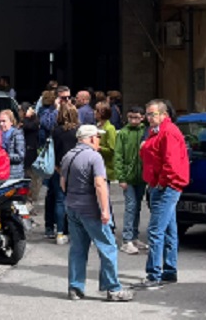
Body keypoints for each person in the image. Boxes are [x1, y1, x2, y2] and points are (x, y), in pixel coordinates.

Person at [61, 124, 134, 302]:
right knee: (108, 247)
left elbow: (63, 183)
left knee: (78, 249)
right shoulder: (94, 157)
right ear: (92, 138)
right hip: (90, 209)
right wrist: (105, 210)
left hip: (72, 206)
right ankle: (113, 288)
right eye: (98, 137)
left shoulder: (68, 156)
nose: (99, 141)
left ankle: (75, 288)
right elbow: (100, 185)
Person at [133, 99, 189, 290]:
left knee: (155, 231)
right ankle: (169, 271)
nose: (149, 117)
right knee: (168, 230)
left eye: (153, 114)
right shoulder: (155, 131)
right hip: (162, 185)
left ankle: (154, 274)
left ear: (164, 115)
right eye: (147, 114)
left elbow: (170, 163)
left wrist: (160, 184)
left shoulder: (168, 132)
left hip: (166, 186)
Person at [116, 106, 148, 255]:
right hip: (128, 177)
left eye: (136, 117)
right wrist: (121, 177)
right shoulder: (123, 133)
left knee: (137, 207)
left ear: (142, 117)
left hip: (141, 176)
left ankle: (134, 236)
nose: (133, 120)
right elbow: (118, 156)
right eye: (131, 117)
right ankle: (127, 239)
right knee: (131, 206)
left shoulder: (145, 132)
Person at [49, 103, 80, 244]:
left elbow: (54, 150)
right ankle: (74, 231)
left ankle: (60, 232)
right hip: (76, 168)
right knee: (75, 201)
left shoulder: (56, 131)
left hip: (59, 168)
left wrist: (56, 165)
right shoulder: (79, 131)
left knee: (60, 201)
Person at [0, 109, 26, 179]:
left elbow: (20, 156)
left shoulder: (17, 134)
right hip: (2, 173)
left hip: (14, 174)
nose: (1, 124)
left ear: (11, 122)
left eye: (4, 121)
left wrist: (5, 156)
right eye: (0, 121)